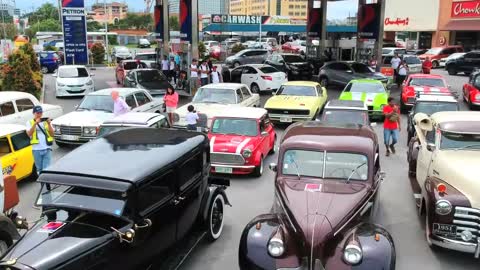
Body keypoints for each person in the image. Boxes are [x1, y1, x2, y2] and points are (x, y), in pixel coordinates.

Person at [26, 106, 54, 176]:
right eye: (37, 113)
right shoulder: (29, 122)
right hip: (36, 150)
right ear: (33, 113)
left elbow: (52, 134)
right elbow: (29, 134)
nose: (39, 114)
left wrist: (49, 124)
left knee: (46, 169)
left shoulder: (45, 122)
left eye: (40, 113)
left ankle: (47, 185)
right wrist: (35, 123)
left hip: (47, 148)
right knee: (39, 169)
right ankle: (43, 183)